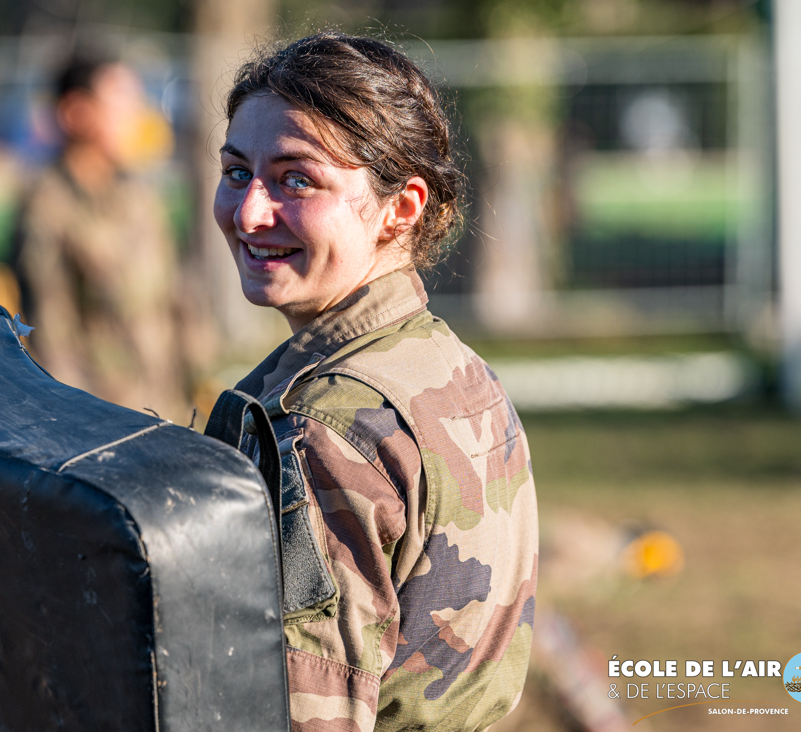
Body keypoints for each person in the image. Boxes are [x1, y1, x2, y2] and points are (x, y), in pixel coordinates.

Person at [214, 33, 538, 731]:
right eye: (238, 172)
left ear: (402, 207)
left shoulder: (324, 428)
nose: (248, 213)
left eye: (296, 179)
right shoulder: (452, 368)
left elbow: (305, 713)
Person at [12, 54, 188, 420]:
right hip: (99, 420)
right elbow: (48, 331)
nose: (136, 117)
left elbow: (171, 302)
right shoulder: (48, 206)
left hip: (162, 410)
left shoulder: (140, 197)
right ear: (75, 112)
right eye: (120, 104)